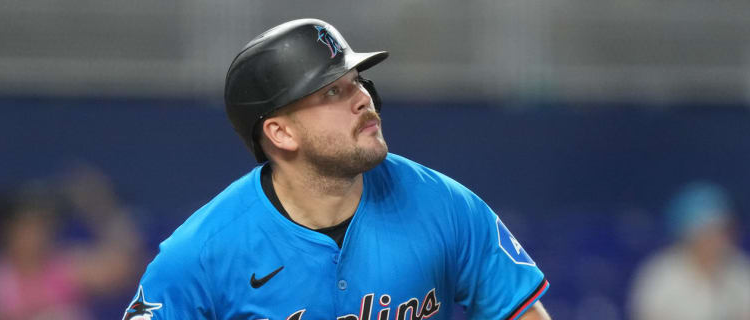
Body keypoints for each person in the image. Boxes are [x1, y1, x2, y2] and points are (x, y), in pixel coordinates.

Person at [123, 18, 550, 320]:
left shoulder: (446, 206)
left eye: (357, 81)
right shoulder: (198, 254)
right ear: (280, 133)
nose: (362, 98)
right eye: (332, 91)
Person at [0, 164, 143, 320]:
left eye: (42, 225)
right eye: (25, 226)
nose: (34, 235)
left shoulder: (67, 267)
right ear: (6, 231)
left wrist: (98, 205)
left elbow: (124, 266)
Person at [628, 181, 750, 320]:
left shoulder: (745, 271)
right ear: (687, 234)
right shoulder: (659, 274)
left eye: (722, 230)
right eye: (707, 232)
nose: (717, 240)